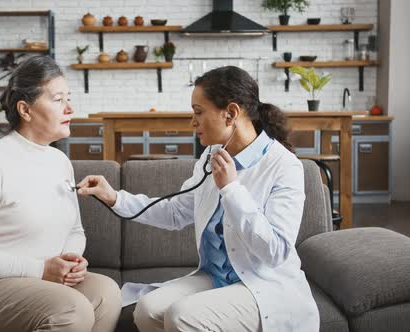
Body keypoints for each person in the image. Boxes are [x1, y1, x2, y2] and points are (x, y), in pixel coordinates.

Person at [76, 66, 320, 332]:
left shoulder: (284, 167)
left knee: (182, 315)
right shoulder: (211, 156)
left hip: (262, 284)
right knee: (147, 309)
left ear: (231, 113)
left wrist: (231, 190)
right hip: (217, 278)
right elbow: (175, 212)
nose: (192, 122)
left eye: (198, 112)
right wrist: (114, 198)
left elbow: (276, 252)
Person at [0, 55, 122, 332]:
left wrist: (69, 261)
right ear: (26, 110)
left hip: (40, 282)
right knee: (73, 310)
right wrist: (41, 270)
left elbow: (75, 230)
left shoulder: (59, 161)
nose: (70, 108)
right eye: (58, 99)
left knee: (106, 293)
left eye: (68, 98)